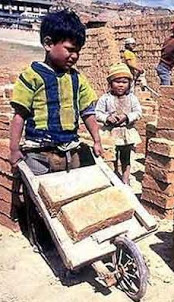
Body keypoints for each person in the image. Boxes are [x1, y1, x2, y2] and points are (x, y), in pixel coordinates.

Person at [9, 10, 103, 252]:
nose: (75, 56)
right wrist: (13, 149)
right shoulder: (31, 76)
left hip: (69, 150)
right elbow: (19, 115)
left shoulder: (77, 80)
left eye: (77, 51)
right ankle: (39, 236)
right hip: (38, 151)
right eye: (70, 49)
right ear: (48, 43)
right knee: (39, 198)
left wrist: (97, 140)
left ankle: (68, 233)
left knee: (68, 194)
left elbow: (88, 112)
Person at [96, 63, 142, 185]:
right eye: (117, 82)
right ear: (110, 83)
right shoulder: (105, 98)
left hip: (126, 132)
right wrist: (107, 118)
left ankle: (125, 181)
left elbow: (138, 112)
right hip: (110, 133)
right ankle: (114, 176)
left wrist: (127, 117)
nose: (121, 85)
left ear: (129, 84)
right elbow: (97, 113)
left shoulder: (132, 98)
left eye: (124, 82)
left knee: (126, 158)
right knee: (112, 156)